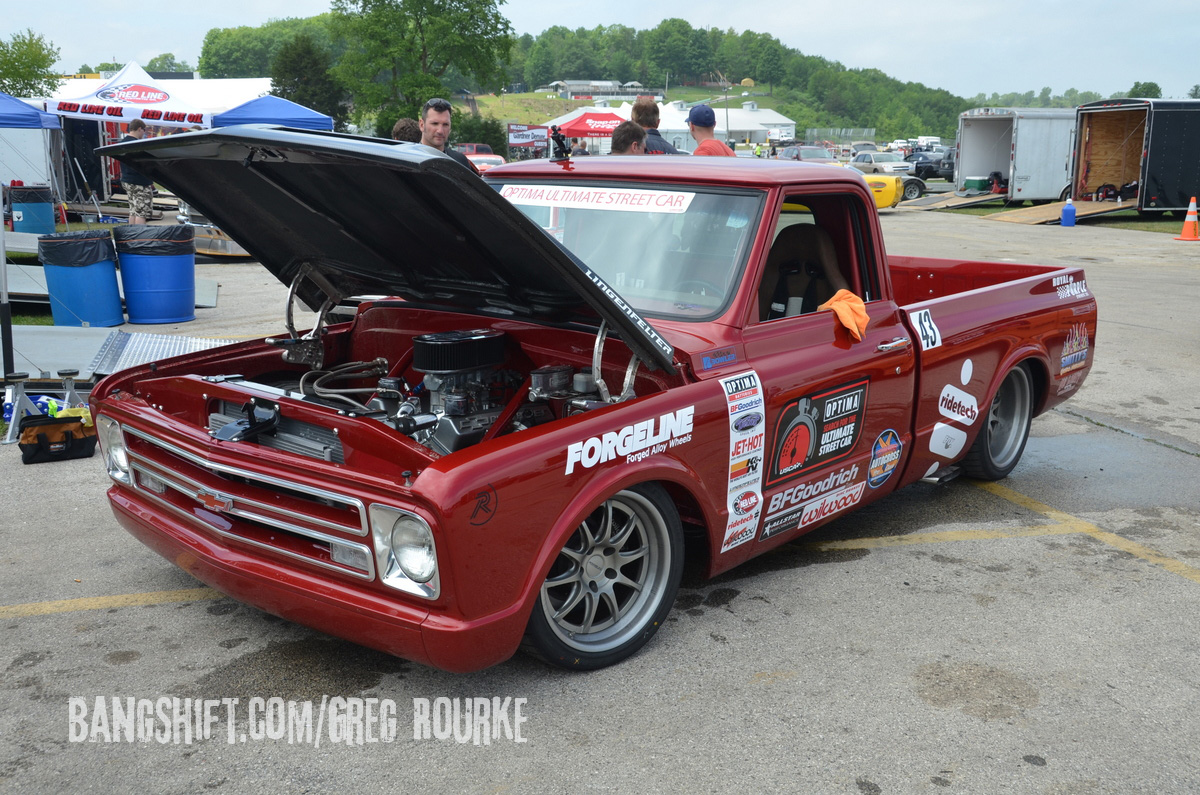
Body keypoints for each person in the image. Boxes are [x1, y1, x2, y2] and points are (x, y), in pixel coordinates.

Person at [419, 98, 479, 174]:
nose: (440, 131)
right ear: (421, 125)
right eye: (435, 124)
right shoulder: (409, 160)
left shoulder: (460, 162)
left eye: (445, 124)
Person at [119, 119, 154, 224]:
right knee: (141, 213)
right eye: (144, 131)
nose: (144, 134)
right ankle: (140, 237)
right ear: (139, 129)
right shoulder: (137, 145)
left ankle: (131, 236)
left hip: (127, 180)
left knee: (133, 210)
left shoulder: (122, 143)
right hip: (140, 182)